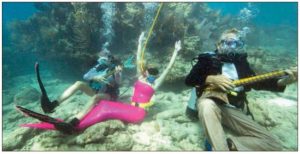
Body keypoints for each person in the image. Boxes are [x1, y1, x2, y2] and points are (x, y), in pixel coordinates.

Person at [16, 32, 182, 134]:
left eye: (153, 73)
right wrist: (139, 42)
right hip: (125, 104)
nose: (149, 74)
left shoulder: (155, 83)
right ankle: (52, 105)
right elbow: (139, 57)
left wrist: (176, 52)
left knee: (100, 104)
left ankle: (74, 123)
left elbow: (168, 69)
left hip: (135, 111)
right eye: (149, 71)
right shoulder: (140, 77)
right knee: (80, 86)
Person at [185, 28, 297, 151]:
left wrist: (283, 81)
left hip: (232, 109)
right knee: (207, 104)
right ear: (218, 44)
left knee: (273, 144)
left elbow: (257, 82)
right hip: (211, 102)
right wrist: (210, 79)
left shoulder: (241, 62)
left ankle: (231, 145)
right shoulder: (207, 60)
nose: (232, 47)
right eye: (228, 42)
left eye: (236, 44)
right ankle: (217, 148)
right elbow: (189, 80)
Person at [40, 49, 123, 124]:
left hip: (109, 96)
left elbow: (118, 82)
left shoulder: (115, 69)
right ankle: (53, 105)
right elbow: (85, 76)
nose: (102, 59)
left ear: (110, 59)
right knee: (78, 83)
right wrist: (95, 77)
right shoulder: (98, 67)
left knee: (96, 97)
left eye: (106, 57)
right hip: (97, 91)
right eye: (102, 57)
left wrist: (117, 74)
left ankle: (75, 121)